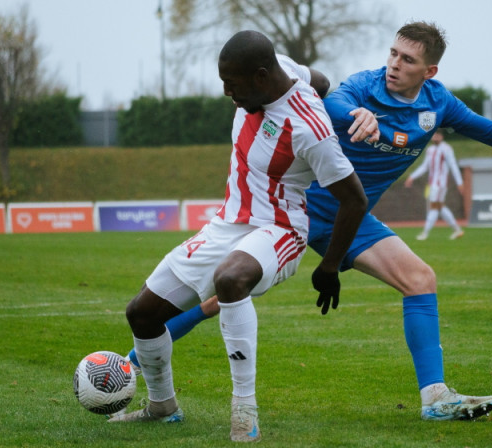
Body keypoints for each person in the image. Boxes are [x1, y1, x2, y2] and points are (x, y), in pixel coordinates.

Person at [127, 21, 492, 423]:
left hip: (353, 216)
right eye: (392, 53)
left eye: (407, 60)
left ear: (430, 70)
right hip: (303, 211)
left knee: (420, 279)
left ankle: (435, 398)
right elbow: (331, 100)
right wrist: (356, 115)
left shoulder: (438, 102)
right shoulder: (364, 86)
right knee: (221, 294)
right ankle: (130, 363)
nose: (394, 64)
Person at [110, 30, 368, 444]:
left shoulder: (310, 129)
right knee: (141, 313)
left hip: (281, 229)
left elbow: (354, 200)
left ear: (262, 77)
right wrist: (324, 90)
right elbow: (318, 80)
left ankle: (244, 412)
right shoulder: (282, 67)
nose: (227, 93)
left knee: (230, 279)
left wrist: (331, 265)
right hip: (226, 224)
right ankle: (162, 407)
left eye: (233, 84)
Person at [404, 129, 465, 240]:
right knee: (440, 207)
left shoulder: (446, 149)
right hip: (432, 183)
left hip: (440, 183)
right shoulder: (430, 150)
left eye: (437, 135)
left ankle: (425, 233)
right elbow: (425, 166)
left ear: (442, 136)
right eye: (434, 135)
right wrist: (412, 176)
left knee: (433, 207)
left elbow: (453, 166)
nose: (435, 137)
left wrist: (459, 183)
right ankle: (457, 230)